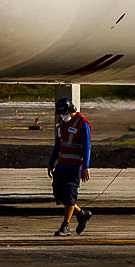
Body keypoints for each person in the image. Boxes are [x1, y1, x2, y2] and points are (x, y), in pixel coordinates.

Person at [47, 95, 94, 236]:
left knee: (70, 196)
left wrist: (85, 166)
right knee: (60, 195)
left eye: (64, 113)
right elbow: (58, 144)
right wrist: (51, 162)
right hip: (61, 165)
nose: (62, 116)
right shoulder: (61, 123)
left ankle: (65, 225)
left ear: (71, 109)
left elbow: (87, 147)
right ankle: (82, 214)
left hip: (74, 166)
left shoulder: (82, 123)